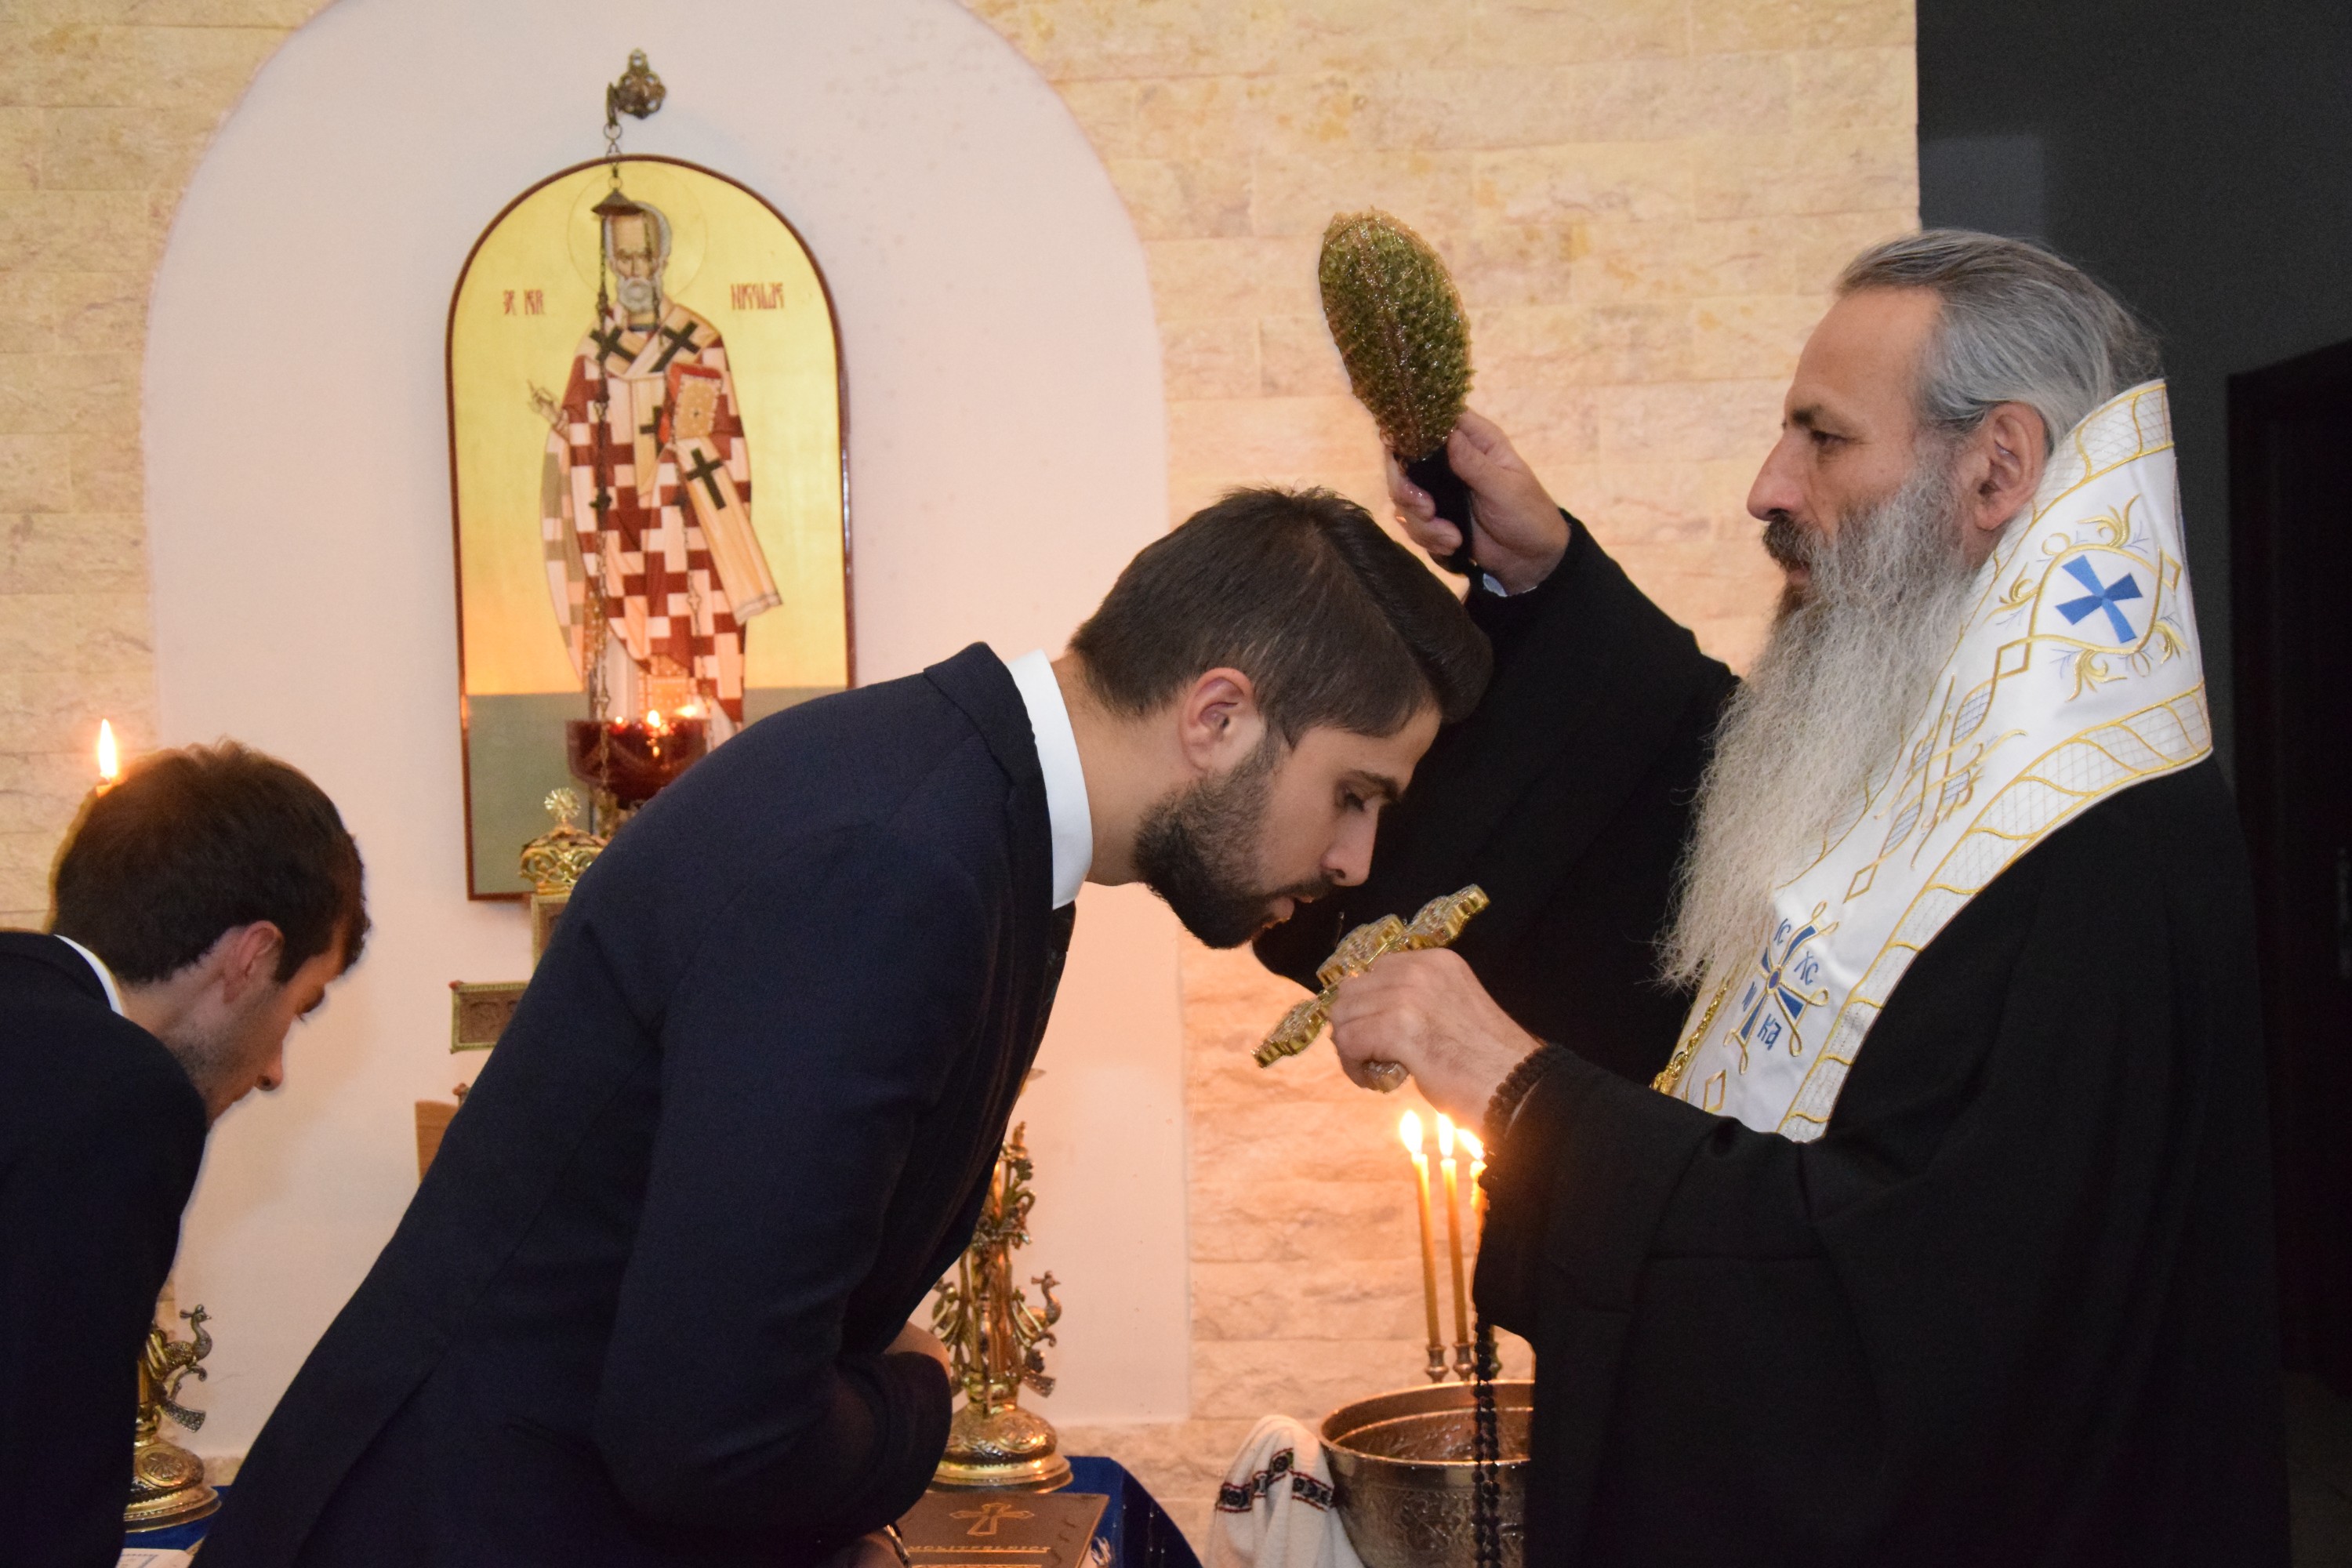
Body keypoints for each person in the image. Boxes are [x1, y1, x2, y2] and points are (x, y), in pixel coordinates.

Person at [203, 488, 1491, 1568]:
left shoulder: (964, 818)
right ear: (1218, 717)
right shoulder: (894, 861)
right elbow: (706, 1434)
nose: (1356, 856)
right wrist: (915, 1396)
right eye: (1354, 792)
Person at [1291, 232, 2288, 1563]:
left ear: (1997, 466)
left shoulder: (2099, 851)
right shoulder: (1953, 752)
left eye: (1825, 439)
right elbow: (1731, 853)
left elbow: (1907, 1323)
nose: (1769, 488)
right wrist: (1544, 584)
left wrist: (1523, 1092)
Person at [0, 742, 367, 1568]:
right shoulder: (118, 1092)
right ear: (252, 956)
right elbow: (39, 1476)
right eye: (298, 1007)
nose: (274, 1069)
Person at [540, 193, 779, 734]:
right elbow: (580, 444)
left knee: (694, 642)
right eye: (622, 259)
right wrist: (566, 428)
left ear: (664, 258)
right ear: (609, 264)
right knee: (628, 679)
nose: (634, 270)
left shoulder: (699, 342)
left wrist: (679, 460)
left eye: (644, 256)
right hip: (618, 529)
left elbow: (726, 448)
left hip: (684, 532)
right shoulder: (594, 350)